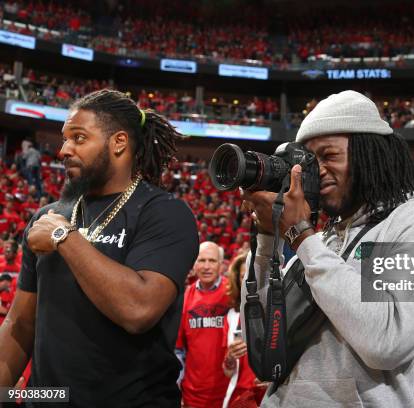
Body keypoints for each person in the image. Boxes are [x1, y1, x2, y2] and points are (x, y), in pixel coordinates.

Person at [242, 90, 414, 407]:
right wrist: (266, 236)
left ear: (369, 154)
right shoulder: (328, 237)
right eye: (307, 160)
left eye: (329, 156)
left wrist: (302, 236)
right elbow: (264, 334)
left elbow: (387, 342)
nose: (313, 171)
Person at [0, 89, 199, 407]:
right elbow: (20, 323)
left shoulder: (164, 213)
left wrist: (65, 237)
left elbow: (138, 310)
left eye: (78, 138)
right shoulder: (48, 216)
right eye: (65, 139)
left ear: (119, 142)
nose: (64, 150)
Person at [176, 241, 231, 408]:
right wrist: (177, 386)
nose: (206, 266)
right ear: (194, 265)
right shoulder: (184, 297)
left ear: (221, 265)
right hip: (194, 394)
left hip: (229, 391)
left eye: (212, 261)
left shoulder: (233, 294)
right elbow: (178, 350)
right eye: (201, 260)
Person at [221, 252, 266, 408]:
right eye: (243, 276)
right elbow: (228, 371)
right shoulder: (231, 316)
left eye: (253, 274)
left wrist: (274, 378)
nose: (249, 280)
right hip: (238, 397)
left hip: (269, 396)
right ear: (237, 280)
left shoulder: (278, 312)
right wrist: (230, 358)